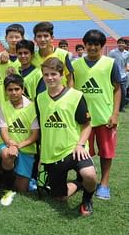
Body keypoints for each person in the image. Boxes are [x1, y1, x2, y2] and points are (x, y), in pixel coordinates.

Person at [36, 57, 96, 216]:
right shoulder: (40, 98)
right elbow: (42, 128)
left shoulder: (76, 96)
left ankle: (87, 199)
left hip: (74, 149)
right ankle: (79, 183)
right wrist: (41, 157)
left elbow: (87, 124)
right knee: (59, 197)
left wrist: (80, 144)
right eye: (46, 74)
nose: (50, 78)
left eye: (54, 74)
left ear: (62, 75)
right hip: (52, 155)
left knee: (90, 175)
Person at [73, 30, 121, 200]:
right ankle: (83, 180)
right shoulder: (76, 65)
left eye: (96, 45)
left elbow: (117, 89)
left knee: (106, 153)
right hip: (83, 120)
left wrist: (115, 114)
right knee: (83, 153)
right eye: (89, 44)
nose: (92, 48)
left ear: (102, 46)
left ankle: (105, 183)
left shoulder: (110, 63)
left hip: (105, 118)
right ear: (84, 45)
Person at [0, 74, 39, 206]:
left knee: (22, 189)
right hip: (6, 143)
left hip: (25, 146)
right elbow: (3, 130)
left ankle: (17, 177)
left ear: (22, 89)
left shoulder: (32, 107)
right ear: (6, 91)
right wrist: (10, 144)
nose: (13, 93)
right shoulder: (2, 106)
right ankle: (8, 187)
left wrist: (18, 145)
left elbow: (34, 135)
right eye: (10, 90)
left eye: (17, 89)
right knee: (7, 155)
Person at [31, 22, 73, 87]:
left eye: (46, 36)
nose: (42, 39)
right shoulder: (32, 58)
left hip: (60, 96)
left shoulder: (63, 54)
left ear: (52, 38)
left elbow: (70, 79)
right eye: (39, 36)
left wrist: (70, 95)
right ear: (35, 39)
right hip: (41, 96)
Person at [108, 37, 128, 112]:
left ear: (125, 45)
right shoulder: (112, 52)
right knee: (113, 91)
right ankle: (113, 106)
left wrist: (125, 71)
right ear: (117, 44)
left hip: (123, 75)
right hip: (114, 75)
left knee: (123, 92)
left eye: (123, 43)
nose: (121, 44)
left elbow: (126, 64)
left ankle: (121, 107)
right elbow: (108, 62)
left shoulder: (127, 53)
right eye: (119, 43)